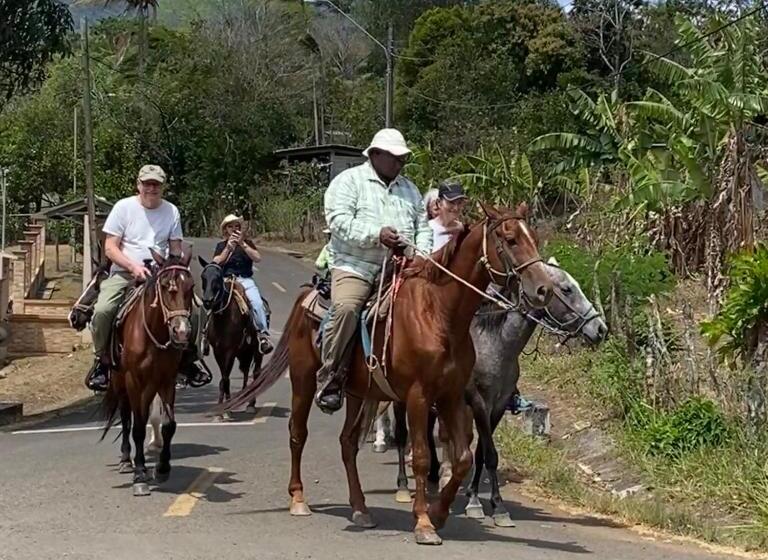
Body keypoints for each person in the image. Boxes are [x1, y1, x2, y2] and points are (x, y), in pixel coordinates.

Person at [317, 128, 433, 413]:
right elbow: (338, 223)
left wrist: (423, 256)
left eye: (403, 158)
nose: (400, 163)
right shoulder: (348, 181)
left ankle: (432, 379)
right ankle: (331, 376)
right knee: (346, 308)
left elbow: (423, 227)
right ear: (376, 155)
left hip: (402, 267)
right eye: (395, 157)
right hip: (355, 266)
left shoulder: (410, 188)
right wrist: (376, 235)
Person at [85, 164, 207, 392]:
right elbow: (110, 248)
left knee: (197, 308)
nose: (151, 188)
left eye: (156, 185)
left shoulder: (171, 211)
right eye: (147, 184)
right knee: (103, 309)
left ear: (163, 187)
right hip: (125, 272)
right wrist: (132, 266)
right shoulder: (123, 208)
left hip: (160, 274)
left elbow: (175, 247)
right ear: (138, 185)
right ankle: (101, 362)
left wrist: (177, 267)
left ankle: (189, 359)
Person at [213, 215, 273, 355]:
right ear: (225, 230)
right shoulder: (221, 245)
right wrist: (228, 248)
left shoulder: (248, 243)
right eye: (230, 227)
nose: (234, 229)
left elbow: (257, 258)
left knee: (257, 303)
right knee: (210, 301)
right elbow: (216, 261)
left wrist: (242, 245)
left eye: (237, 227)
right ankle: (204, 335)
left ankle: (262, 335)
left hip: (245, 279)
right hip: (226, 280)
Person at [429, 180, 467, 252]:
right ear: (439, 203)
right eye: (451, 202)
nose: (456, 208)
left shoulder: (463, 230)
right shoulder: (428, 229)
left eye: (459, 203)